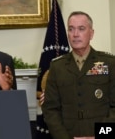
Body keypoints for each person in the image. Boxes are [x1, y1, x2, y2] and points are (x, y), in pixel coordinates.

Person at [42, 11, 115, 139]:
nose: (75, 34)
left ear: (91, 34)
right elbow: (50, 110)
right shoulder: (57, 66)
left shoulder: (109, 63)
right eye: (71, 29)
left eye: (81, 29)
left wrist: (99, 136)